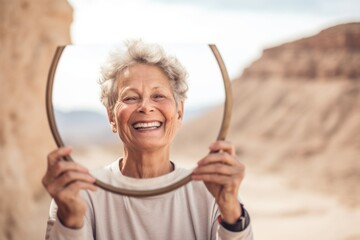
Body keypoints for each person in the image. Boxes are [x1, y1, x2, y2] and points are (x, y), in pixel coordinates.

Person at [42, 40, 253, 240]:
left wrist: (232, 214)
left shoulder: (211, 193)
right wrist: (70, 220)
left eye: (159, 96)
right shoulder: (80, 194)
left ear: (179, 113)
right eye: (130, 98)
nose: (146, 107)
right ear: (111, 117)